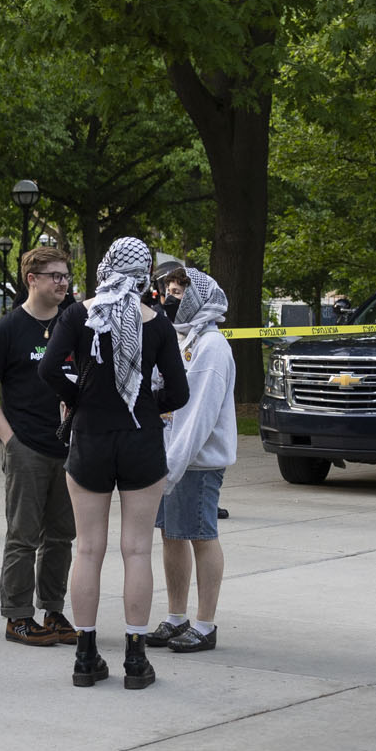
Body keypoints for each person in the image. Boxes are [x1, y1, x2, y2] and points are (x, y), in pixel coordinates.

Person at [45, 236, 192, 688]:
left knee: (88, 549)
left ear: (107, 265)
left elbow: (49, 369)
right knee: (137, 550)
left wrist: (80, 398)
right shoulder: (158, 321)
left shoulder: (77, 314)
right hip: (141, 439)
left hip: (90, 435)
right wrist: (149, 403)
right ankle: (135, 658)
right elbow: (180, 393)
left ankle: (86, 657)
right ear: (145, 272)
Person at [0, 245, 80, 647]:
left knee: (62, 536)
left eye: (66, 275)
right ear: (31, 279)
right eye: (54, 275)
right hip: (27, 448)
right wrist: (11, 441)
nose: (62, 282)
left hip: (69, 448)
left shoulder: (73, 325)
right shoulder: (8, 329)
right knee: (23, 535)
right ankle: (18, 616)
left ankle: (53, 610)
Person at [148, 268, 237, 654]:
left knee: (202, 536)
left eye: (179, 294)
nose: (171, 300)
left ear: (198, 298)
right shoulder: (183, 338)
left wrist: (174, 464)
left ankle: (205, 624)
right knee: (171, 536)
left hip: (195, 462)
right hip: (170, 458)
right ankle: (176, 617)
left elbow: (198, 414)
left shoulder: (212, 346)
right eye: (168, 292)